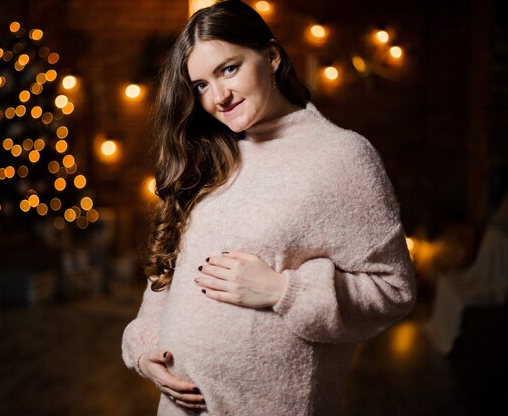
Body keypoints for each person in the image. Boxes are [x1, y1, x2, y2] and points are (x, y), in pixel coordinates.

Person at [122, 1, 416, 415]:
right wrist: (147, 346)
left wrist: (284, 291)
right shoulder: (211, 154)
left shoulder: (341, 157)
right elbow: (173, 268)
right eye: (201, 85)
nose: (218, 97)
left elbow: (393, 290)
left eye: (229, 69)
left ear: (272, 57)